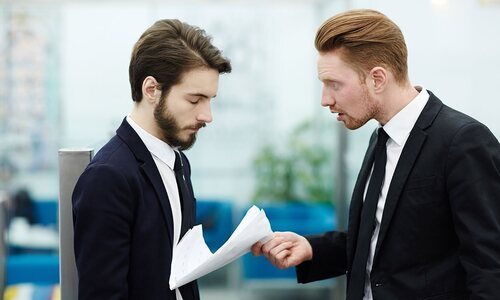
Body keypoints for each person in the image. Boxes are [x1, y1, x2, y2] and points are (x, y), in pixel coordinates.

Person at [252, 9, 500, 299]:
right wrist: (312, 249)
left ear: (377, 79)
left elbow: (490, 267)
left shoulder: (463, 141)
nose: (325, 100)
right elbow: (383, 241)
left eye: (334, 84)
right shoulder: (380, 138)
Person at [72, 19, 231, 300]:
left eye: (210, 100)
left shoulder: (180, 163)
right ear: (151, 90)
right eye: (195, 100)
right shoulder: (108, 176)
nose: (208, 115)